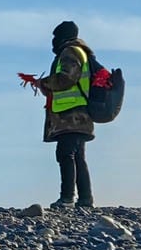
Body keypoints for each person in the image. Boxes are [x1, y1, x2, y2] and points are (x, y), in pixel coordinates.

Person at [34, 19, 95, 209]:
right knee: (78, 157)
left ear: (63, 36)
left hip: (71, 116)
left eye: (56, 36)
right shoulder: (80, 52)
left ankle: (67, 198)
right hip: (78, 115)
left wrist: (43, 83)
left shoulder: (70, 52)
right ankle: (85, 200)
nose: (53, 41)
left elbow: (66, 78)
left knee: (65, 154)